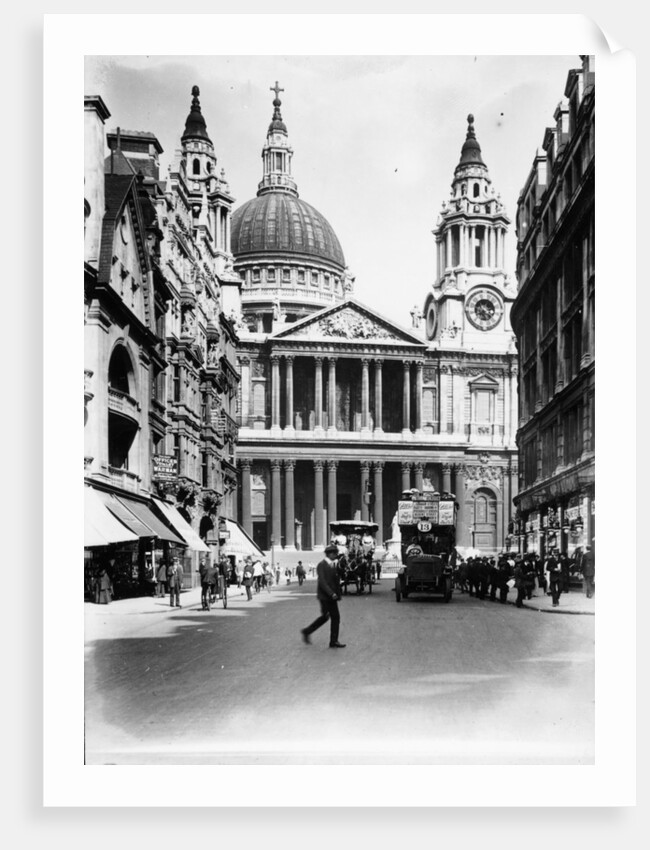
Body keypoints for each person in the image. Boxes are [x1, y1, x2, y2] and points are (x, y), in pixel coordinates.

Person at [301, 544, 346, 648]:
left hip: (329, 596)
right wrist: (332, 593)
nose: (336, 555)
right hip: (326, 596)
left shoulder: (333, 564)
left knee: (326, 617)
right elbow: (322, 581)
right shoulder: (322, 565)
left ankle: (307, 631)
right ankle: (333, 641)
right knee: (334, 617)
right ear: (330, 554)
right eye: (335, 553)